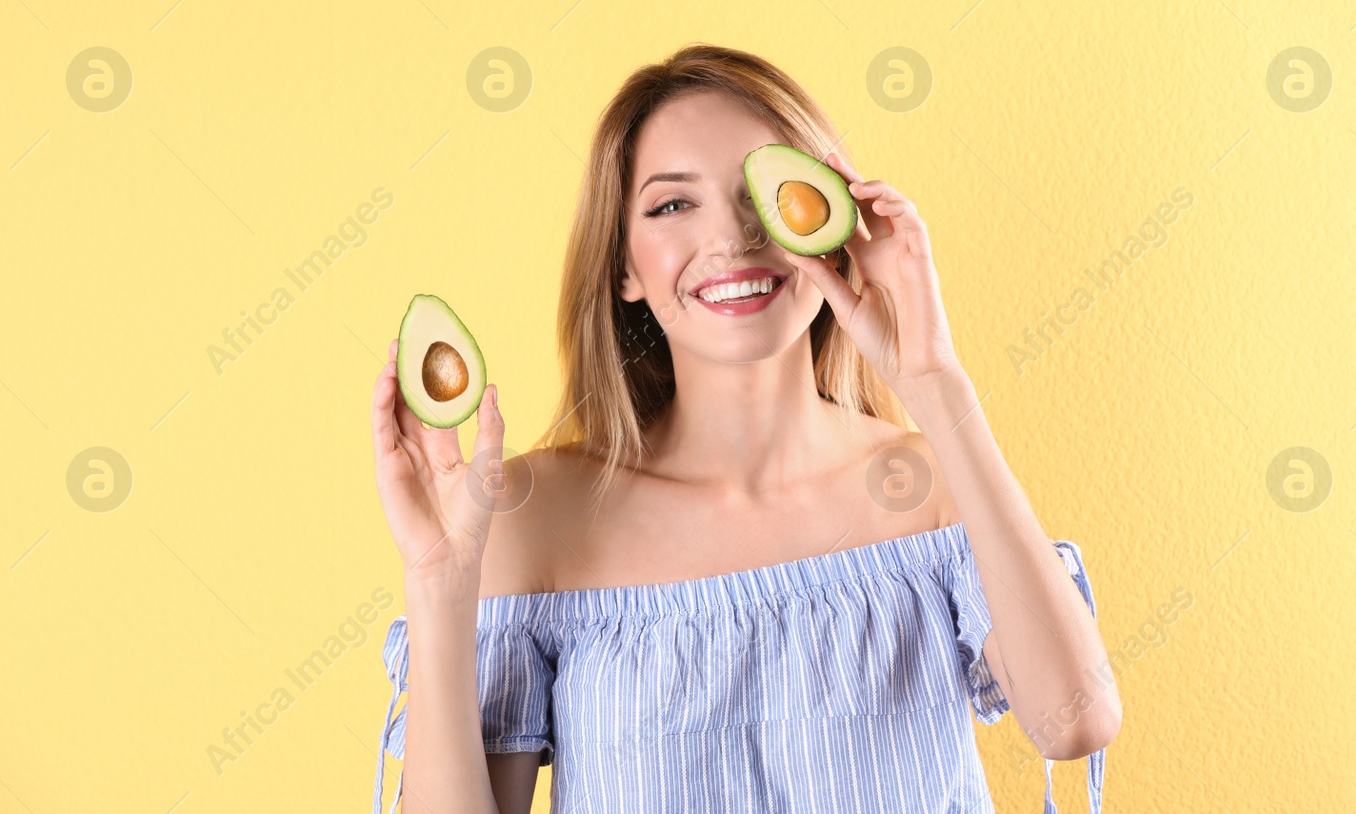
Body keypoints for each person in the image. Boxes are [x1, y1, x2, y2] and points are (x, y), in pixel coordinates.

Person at [369, 43, 1119, 813]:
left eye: (767, 193)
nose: (731, 237)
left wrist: (935, 384)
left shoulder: (927, 487)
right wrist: (437, 585)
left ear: (829, 218)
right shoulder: (535, 516)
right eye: (670, 205)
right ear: (624, 264)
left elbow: (1077, 718)